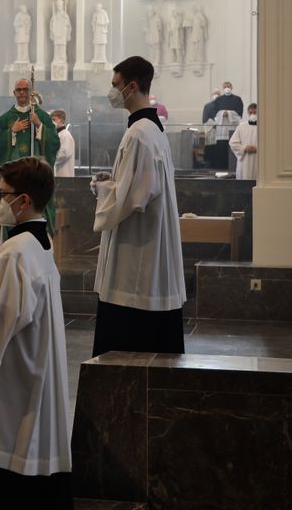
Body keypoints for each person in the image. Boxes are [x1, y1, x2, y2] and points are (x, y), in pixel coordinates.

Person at [0, 157, 72, 508]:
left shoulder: (15, 252)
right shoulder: (41, 243)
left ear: (24, 201)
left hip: (12, 384)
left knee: (1, 468)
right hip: (33, 369)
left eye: (3, 194)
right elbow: (19, 305)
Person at [90, 56, 185, 357]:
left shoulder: (139, 134)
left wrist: (103, 188)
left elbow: (132, 199)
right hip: (149, 242)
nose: (112, 91)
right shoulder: (151, 130)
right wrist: (114, 180)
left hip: (137, 255)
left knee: (130, 347)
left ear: (132, 86)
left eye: (115, 85)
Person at [0, 79, 60, 232]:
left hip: (34, 179)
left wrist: (39, 125)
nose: (22, 93)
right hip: (13, 180)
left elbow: (54, 143)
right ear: (14, 93)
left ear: (30, 92)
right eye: (19, 90)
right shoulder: (6, 118)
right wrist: (11, 132)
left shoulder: (41, 116)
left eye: (25, 89)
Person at [229, 103, 259, 180]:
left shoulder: (264, 126)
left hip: (259, 159)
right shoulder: (241, 126)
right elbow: (233, 143)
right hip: (245, 159)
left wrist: (258, 148)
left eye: (255, 112)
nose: (253, 114)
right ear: (247, 113)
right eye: (251, 112)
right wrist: (245, 148)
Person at [51, 110, 75, 178]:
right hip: (57, 174)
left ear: (62, 120)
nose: (52, 122)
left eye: (54, 119)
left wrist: (49, 158)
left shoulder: (66, 135)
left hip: (65, 175)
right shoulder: (57, 135)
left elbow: (64, 153)